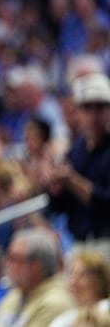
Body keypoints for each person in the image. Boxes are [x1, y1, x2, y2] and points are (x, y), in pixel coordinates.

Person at [45, 72, 110, 257]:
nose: (93, 116)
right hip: (79, 243)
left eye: (100, 108)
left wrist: (72, 181)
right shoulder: (76, 151)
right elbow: (59, 207)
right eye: (87, 109)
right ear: (78, 113)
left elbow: (106, 204)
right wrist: (55, 188)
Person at [0, 227, 75, 327]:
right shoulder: (15, 295)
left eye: (14, 258)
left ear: (35, 266)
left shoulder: (55, 302)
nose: (7, 264)